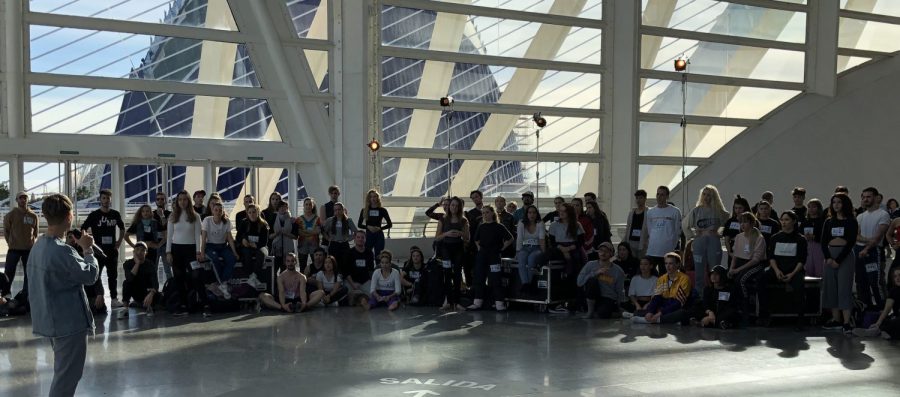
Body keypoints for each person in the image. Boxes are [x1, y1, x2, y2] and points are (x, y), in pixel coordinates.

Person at [27, 193, 99, 397]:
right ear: (69, 216)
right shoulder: (62, 252)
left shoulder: (38, 246)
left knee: (63, 373)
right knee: (66, 378)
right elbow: (90, 275)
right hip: (69, 324)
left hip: (51, 321)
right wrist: (87, 250)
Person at [759, 211, 808, 328]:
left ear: (794, 221)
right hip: (777, 270)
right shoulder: (775, 237)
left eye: (787, 220)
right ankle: (764, 315)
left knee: (799, 285)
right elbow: (771, 257)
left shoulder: (801, 239)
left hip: (794, 271)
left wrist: (792, 274)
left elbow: (802, 260)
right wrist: (776, 270)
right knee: (761, 278)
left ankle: (800, 319)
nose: (784, 222)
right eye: (782, 220)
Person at [820, 194, 859, 334]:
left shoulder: (851, 221)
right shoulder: (829, 221)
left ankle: (847, 322)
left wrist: (838, 260)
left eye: (839, 202)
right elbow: (823, 241)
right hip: (830, 256)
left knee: (844, 288)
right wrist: (829, 258)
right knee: (831, 288)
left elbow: (850, 243)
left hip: (845, 256)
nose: (836, 205)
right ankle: (836, 319)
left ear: (845, 204)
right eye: (834, 202)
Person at [81, 189, 125, 308]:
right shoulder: (94, 215)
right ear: (100, 199)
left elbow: (122, 228)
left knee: (113, 276)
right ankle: (96, 297)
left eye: (108, 198)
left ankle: (114, 299)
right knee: (96, 275)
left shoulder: (115, 214)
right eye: (104, 198)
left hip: (112, 250)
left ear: (111, 199)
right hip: (98, 251)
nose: (106, 200)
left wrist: (119, 242)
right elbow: (83, 228)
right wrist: (88, 243)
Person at [682, 185, 730, 291]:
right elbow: (685, 224)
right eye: (704, 194)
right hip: (699, 242)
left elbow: (728, 223)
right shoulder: (696, 210)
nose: (706, 197)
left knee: (715, 270)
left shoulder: (718, 211)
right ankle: (700, 294)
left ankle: (715, 293)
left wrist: (720, 233)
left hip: (714, 242)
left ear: (714, 197)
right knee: (699, 270)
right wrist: (693, 235)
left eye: (709, 195)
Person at [468, 206, 513, 311]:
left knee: (496, 279)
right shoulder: (481, 226)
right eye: (483, 213)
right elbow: (476, 240)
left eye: (487, 212)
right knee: (479, 278)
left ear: (492, 213)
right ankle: (477, 302)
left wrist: (501, 249)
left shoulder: (499, 226)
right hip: (482, 255)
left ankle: (499, 303)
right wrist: (480, 249)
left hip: (494, 255)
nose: (485, 215)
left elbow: (510, 238)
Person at [166, 190, 203, 316]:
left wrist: (198, 251)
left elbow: (198, 236)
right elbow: (169, 236)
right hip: (176, 250)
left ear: (188, 201)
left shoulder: (196, 216)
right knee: (178, 278)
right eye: (180, 199)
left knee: (195, 276)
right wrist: (168, 252)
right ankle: (181, 304)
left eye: (185, 199)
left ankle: (193, 302)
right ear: (177, 201)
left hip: (191, 250)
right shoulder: (172, 216)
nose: (182, 202)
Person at [854, 187, 891, 310]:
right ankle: (865, 308)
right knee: (861, 282)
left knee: (875, 282)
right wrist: (868, 240)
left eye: (868, 197)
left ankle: (882, 310)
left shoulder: (883, 214)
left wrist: (867, 248)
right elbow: (856, 236)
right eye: (863, 197)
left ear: (876, 198)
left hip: (873, 252)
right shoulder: (860, 216)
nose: (865, 199)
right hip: (859, 251)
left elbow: (878, 237)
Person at [728, 212, 767, 324]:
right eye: (741, 222)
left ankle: (746, 307)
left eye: (745, 222)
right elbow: (735, 255)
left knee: (741, 280)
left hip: (754, 265)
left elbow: (756, 260)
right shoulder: (739, 237)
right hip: (741, 263)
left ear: (751, 223)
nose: (742, 225)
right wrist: (731, 268)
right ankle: (735, 308)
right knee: (730, 279)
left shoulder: (759, 238)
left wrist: (738, 270)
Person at [547, 203, 585, 314]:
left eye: (564, 211)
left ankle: (578, 302)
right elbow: (552, 241)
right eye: (560, 210)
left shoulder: (576, 225)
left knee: (577, 272)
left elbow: (580, 241)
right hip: (559, 249)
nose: (561, 212)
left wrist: (569, 249)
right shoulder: (554, 225)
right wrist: (563, 249)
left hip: (573, 248)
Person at [633, 252, 691, 324]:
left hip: (676, 307)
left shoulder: (684, 279)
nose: (668, 266)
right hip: (662, 306)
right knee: (639, 312)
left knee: (682, 313)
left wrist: (660, 313)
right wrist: (651, 312)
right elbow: (657, 297)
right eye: (666, 263)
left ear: (677, 264)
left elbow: (678, 302)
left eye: (671, 263)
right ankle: (660, 319)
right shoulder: (662, 278)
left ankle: (654, 320)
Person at [577, 242, 626, 319]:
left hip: (608, 297)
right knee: (592, 280)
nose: (603, 253)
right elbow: (579, 282)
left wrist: (620, 305)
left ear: (611, 253)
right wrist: (595, 273)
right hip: (591, 297)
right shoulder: (590, 264)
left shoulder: (618, 271)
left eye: (606, 251)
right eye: (601, 251)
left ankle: (613, 312)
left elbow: (620, 290)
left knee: (602, 315)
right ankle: (590, 311)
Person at [3, 191, 39, 296]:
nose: (23, 200)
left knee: (29, 273)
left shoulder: (33, 216)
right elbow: (6, 231)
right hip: (14, 249)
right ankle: (5, 293)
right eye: (20, 198)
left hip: (28, 249)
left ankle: (25, 294)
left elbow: (35, 232)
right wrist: (10, 243)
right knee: (9, 272)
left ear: (27, 200)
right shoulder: (10, 215)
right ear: (16, 200)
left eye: (25, 198)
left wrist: (30, 242)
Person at [436, 196, 469, 312]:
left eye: (456, 205)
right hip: (446, 248)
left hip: (458, 248)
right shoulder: (443, 219)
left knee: (457, 275)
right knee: (447, 274)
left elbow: (467, 238)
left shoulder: (464, 220)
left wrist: (460, 233)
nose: (454, 207)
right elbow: (437, 237)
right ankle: (448, 301)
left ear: (460, 207)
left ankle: (457, 302)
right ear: (449, 207)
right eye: (452, 205)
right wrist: (447, 233)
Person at [641, 186, 682, 274]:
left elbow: (677, 231)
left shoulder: (675, 211)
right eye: (658, 194)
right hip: (652, 250)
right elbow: (649, 229)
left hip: (667, 251)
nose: (659, 197)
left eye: (662, 195)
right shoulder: (650, 212)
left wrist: (672, 245)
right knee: (649, 274)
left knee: (665, 276)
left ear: (667, 196)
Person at [853, 267, 900, 339]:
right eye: (895, 276)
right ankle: (879, 330)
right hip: (896, 318)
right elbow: (887, 309)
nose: (897, 278)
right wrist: (878, 323)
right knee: (884, 320)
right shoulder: (893, 291)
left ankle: (882, 331)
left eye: (899, 275)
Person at [119, 242, 159, 319]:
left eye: (142, 250)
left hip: (147, 292)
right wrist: (137, 264)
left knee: (158, 296)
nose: (139, 252)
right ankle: (125, 309)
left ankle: (148, 306)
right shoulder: (128, 264)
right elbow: (129, 278)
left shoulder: (150, 264)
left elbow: (155, 283)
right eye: (137, 250)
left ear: (146, 253)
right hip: (135, 291)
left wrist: (151, 293)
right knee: (126, 283)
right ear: (133, 252)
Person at [124, 204, 163, 272]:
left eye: (147, 211)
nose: (145, 213)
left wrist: (159, 245)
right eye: (143, 211)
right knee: (141, 270)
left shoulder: (155, 223)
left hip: (152, 250)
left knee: (153, 269)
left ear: (151, 212)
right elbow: (126, 236)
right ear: (141, 213)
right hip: (140, 251)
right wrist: (134, 246)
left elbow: (166, 234)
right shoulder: (137, 223)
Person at [239, 204, 269, 290]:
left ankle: (254, 276)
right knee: (246, 253)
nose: (252, 214)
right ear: (247, 213)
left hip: (260, 246)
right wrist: (243, 240)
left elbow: (264, 241)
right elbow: (238, 236)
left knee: (262, 253)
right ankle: (250, 276)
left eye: (254, 212)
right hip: (247, 247)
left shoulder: (263, 224)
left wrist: (256, 245)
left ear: (258, 212)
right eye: (250, 212)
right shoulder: (244, 223)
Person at [515, 205, 545, 290]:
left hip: (537, 248)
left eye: (534, 212)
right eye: (530, 212)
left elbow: (542, 239)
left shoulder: (540, 223)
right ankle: (526, 284)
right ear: (526, 214)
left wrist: (543, 253)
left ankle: (527, 284)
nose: (532, 214)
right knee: (521, 259)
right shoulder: (521, 223)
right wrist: (517, 251)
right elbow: (519, 238)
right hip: (525, 247)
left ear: (537, 214)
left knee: (531, 259)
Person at [322, 202, 357, 272]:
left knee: (345, 264)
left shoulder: (348, 220)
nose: (337, 211)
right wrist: (328, 238)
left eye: (339, 209)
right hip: (334, 244)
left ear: (343, 210)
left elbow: (356, 232)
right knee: (333, 264)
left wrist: (349, 238)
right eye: (335, 210)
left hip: (344, 245)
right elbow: (323, 231)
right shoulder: (330, 220)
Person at [358, 189, 392, 259]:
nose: (373, 198)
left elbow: (390, 224)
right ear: (369, 198)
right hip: (368, 235)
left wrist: (380, 228)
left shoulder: (382, 210)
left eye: (374, 196)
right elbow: (359, 224)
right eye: (371, 197)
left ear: (377, 198)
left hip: (379, 235)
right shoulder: (364, 210)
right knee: (367, 255)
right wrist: (368, 227)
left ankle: (378, 269)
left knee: (378, 256)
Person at [344, 231, 374, 304]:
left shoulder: (369, 252)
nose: (360, 239)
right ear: (354, 239)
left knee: (372, 296)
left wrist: (371, 283)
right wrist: (353, 284)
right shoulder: (349, 252)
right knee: (346, 296)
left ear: (365, 239)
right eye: (358, 237)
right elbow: (346, 271)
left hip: (365, 281)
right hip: (351, 282)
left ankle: (359, 297)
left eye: (362, 237)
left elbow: (371, 270)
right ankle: (360, 297)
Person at [723, 196, 751, 266]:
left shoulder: (751, 221)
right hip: (733, 249)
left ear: (745, 208)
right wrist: (729, 252)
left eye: (740, 208)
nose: (738, 210)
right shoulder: (730, 221)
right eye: (736, 208)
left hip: (747, 249)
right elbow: (726, 239)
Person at [801, 199, 827, 277]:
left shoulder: (823, 221)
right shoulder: (805, 221)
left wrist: (815, 237)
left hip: (819, 247)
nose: (811, 209)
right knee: (807, 270)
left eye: (813, 207)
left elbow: (825, 236)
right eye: (809, 207)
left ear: (819, 208)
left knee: (820, 270)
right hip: (807, 247)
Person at [270, 201, 297, 271]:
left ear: (287, 208)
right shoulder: (273, 217)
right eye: (281, 207)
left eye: (284, 207)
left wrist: (286, 233)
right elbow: (269, 236)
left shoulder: (292, 220)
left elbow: (295, 236)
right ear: (278, 208)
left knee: (286, 270)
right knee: (274, 270)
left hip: (288, 249)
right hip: (276, 249)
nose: (282, 208)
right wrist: (276, 234)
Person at [152, 191, 173, 279]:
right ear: (155, 201)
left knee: (167, 269)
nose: (160, 201)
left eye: (162, 199)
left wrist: (162, 215)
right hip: (155, 244)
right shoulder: (151, 213)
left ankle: (171, 288)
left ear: (165, 201)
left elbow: (166, 226)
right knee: (153, 269)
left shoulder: (169, 214)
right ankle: (154, 289)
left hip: (165, 245)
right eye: (158, 199)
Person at [296, 197, 321, 268]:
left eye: (310, 204)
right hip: (302, 246)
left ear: (313, 206)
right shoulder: (299, 219)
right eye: (306, 204)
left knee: (316, 266)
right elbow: (299, 233)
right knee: (302, 266)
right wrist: (313, 232)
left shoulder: (317, 219)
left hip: (314, 246)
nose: (308, 206)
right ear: (303, 206)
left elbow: (318, 231)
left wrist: (305, 232)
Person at [624, 189, 648, 258]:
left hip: (643, 241)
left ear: (645, 199)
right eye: (637, 198)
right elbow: (628, 227)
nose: (638, 200)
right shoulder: (631, 212)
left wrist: (647, 242)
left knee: (642, 262)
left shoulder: (649, 212)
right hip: (631, 241)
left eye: (640, 198)